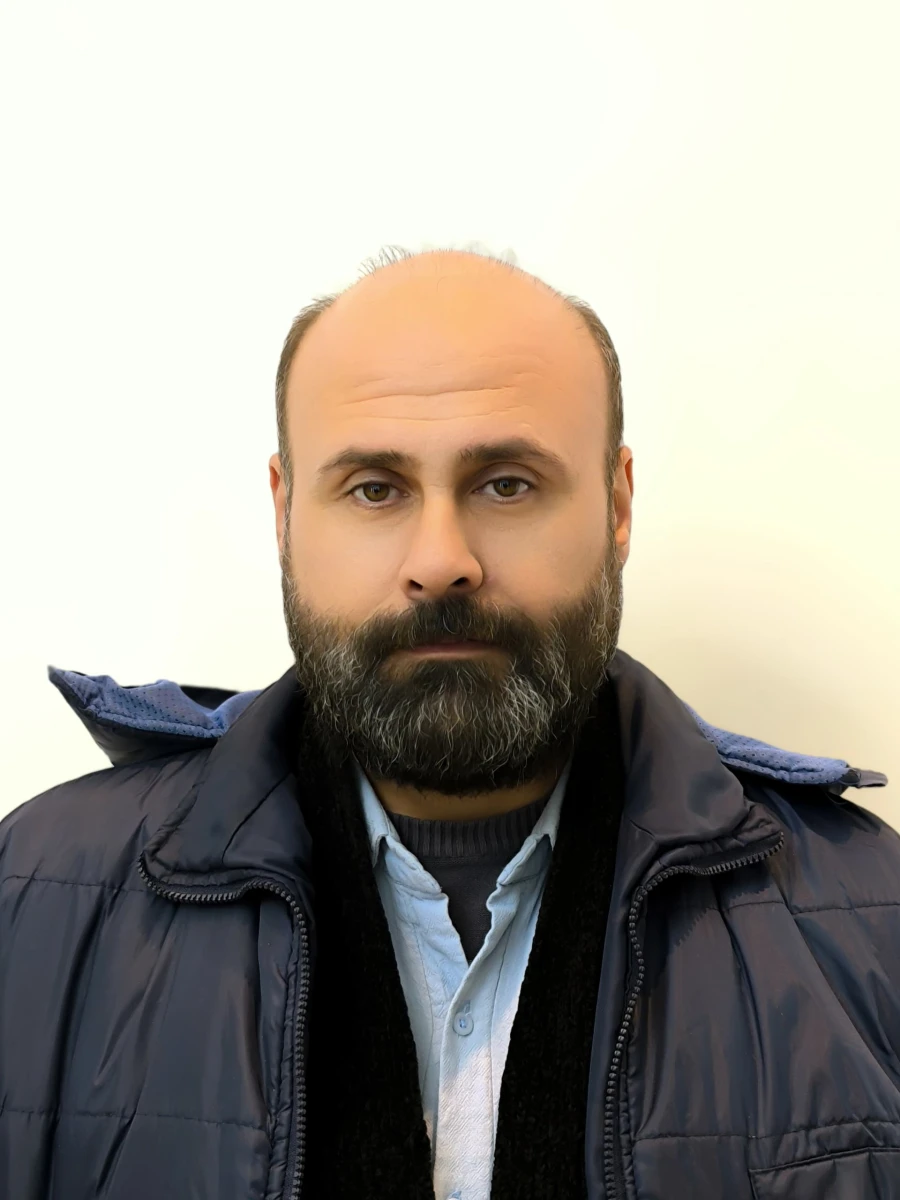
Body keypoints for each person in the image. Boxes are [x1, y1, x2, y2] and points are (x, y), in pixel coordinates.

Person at [0, 246, 896, 1200]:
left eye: (506, 483)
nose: (440, 561)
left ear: (617, 505)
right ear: (284, 513)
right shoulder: (30, 901)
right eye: (374, 488)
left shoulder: (872, 917)